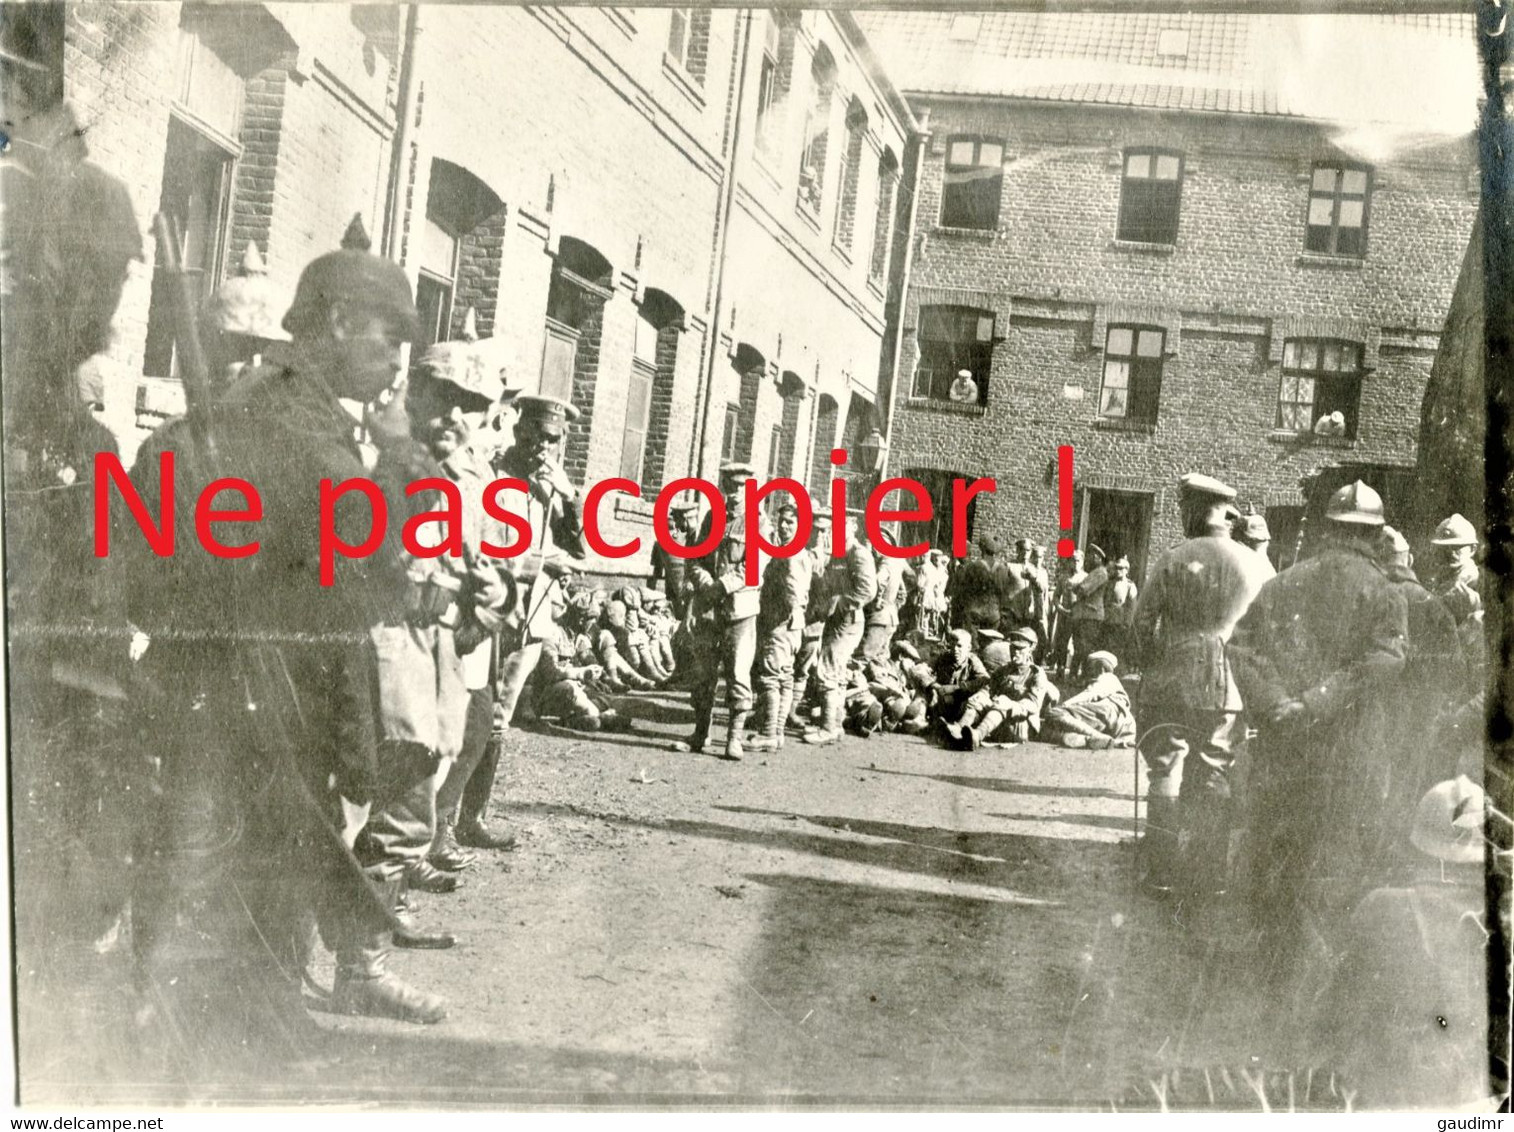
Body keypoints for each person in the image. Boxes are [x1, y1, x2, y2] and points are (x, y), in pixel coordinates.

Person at [128, 216, 446, 1025]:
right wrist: (403, 454)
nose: (398, 357)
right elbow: (376, 583)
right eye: (389, 334)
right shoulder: (301, 428)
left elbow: (138, 572)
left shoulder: (237, 410)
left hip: (216, 691)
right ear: (338, 322)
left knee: (205, 896)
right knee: (248, 899)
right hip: (268, 701)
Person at [1229, 480, 1410, 997]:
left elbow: (1241, 651)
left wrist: (1283, 703)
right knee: (1336, 876)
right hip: (1350, 761)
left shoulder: (1282, 585)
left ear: (1328, 529)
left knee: (1278, 868)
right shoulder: (1385, 592)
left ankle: (1271, 989)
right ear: (1374, 536)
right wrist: (1320, 701)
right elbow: (1385, 660)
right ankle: (1317, 1001)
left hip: (1285, 752)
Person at [1130, 474, 1272, 898]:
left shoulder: (1174, 557)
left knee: (1166, 769)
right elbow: (1271, 631)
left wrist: (1150, 663)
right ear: (1225, 512)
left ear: (1192, 509)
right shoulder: (1256, 564)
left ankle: (1160, 871)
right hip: (1230, 686)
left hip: (1172, 681)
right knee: (1215, 773)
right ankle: (1206, 876)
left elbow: (1140, 626)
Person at [467, 394, 587, 844]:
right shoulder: (493, 474)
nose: (541, 448)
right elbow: (486, 542)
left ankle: (472, 818)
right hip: (490, 609)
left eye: (551, 441)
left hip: (533, 617)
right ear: (519, 432)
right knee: (471, 712)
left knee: (500, 717)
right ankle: (442, 823)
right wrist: (539, 562)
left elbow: (579, 548)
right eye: (535, 437)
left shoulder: (551, 483)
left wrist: (568, 496)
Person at [674, 462, 763, 760]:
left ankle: (733, 739)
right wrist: (705, 583)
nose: (735, 493)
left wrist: (720, 586)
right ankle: (701, 734)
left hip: (740, 612)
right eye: (730, 486)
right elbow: (694, 558)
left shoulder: (757, 522)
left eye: (740, 487)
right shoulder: (714, 518)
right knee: (703, 674)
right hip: (710, 612)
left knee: (738, 675)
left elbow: (753, 570)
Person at [804, 510, 878, 746]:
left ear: (854, 527)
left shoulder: (859, 554)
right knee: (834, 672)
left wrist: (838, 603)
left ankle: (826, 728)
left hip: (848, 621)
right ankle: (834, 725)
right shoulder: (838, 554)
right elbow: (828, 584)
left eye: (842, 526)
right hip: (835, 621)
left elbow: (868, 591)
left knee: (826, 670)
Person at [748, 501, 813, 752]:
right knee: (784, 678)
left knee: (770, 678)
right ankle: (776, 732)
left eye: (790, 522)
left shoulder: (791, 554)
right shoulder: (796, 551)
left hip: (781, 625)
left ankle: (768, 733)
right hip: (792, 626)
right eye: (782, 521)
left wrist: (779, 615)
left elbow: (794, 593)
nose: (784, 527)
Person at [530, 588, 631, 733]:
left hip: (571, 690)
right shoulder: (552, 634)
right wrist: (581, 673)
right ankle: (598, 717)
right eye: (587, 619)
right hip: (547, 694)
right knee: (571, 688)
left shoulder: (576, 636)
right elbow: (550, 673)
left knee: (603, 699)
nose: (591, 624)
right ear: (578, 618)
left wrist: (596, 678)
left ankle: (577, 719)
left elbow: (586, 657)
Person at [944, 627, 1055, 750]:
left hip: (1021, 726)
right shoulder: (1003, 670)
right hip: (999, 724)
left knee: (1002, 702)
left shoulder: (1036, 674)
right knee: (979, 700)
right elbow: (989, 688)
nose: (1015, 652)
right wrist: (981, 695)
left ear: (1031, 648)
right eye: (1013, 648)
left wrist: (1011, 704)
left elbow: (1033, 704)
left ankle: (977, 735)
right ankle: (958, 729)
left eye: (1020, 648)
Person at [1042, 651, 1136, 750]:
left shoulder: (1108, 678)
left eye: (1090, 668)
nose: (1087, 672)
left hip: (1108, 713)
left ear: (1101, 668)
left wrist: (1065, 704)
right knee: (1048, 728)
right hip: (1108, 720)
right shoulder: (1112, 681)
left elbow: (1089, 693)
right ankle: (1085, 739)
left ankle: (1098, 737)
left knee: (1054, 713)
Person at [1427, 513, 1481, 629]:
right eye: (1445, 548)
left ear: (1472, 549)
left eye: (1457, 547)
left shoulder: (1476, 583)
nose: (1450, 553)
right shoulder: (1441, 578)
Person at [926, 628, 990, 726]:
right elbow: (920, 669)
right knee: (925, 690)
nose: (955, 649)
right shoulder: (943, 658)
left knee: (979, 697)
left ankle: (960, 727)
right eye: (952, 645)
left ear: (968, 648)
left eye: (959, 646)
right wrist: (934, 685)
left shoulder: (972, 661)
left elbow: (984, 680)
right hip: (943, 701)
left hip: (962, 702)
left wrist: (957, 688)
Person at [1068, 545, 1109, 677]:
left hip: (1092, 615)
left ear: (1098, 558)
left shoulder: (1100, 573)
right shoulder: (1095, 572)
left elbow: (1083, 590)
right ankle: (1076, 675)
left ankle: (1083, 676)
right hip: (1086, 615)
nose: (1089, 559)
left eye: (1092, 556)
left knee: (1085, 647)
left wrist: (1073, 586)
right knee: (1080, 646)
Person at [995, 538, 1046, 644]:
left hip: (1027, 615)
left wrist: (1034, 579)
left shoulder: (1034, 569)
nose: (1025, 553)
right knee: (1009, 641)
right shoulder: (1009, 566)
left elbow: (1041, 589)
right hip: (1012, 614)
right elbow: (999, 588)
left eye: (1028, 550)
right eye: (1022, 549)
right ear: (1017, 550)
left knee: (1024, 642)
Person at [949, 535, 1001, 632]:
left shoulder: (970, 568)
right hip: (993, 611)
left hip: (971, 611)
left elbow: (964, 591)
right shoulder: (1001, 568)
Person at [861, 541, 903, 660]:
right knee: (881, 657)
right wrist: (894, 606)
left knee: (865, 656)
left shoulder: (884, 564)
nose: (874, 551)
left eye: (875, 548)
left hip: (879, 619)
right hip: (891, 618)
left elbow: (879, 581)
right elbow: (902, 593)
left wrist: (877, 601)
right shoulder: (896, 565)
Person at [1048, 551, 1086, 678]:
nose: (1075, 563)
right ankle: (1060, 669)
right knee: (1062, 643)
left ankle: (1073, 672)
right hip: (1065, 614)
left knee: (1078, 644)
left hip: (1079, 616)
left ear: (1082, 562)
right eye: (1073, 560)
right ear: (1070, 562)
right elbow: (1056, 596)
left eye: (1078, 561)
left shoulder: (1086, 578)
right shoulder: (1064, 578)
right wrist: (1059, 607)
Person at [1101, 556, 1139, 670]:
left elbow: (1131, 607)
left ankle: (1117, 672)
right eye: (1116, 568)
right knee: (1105, 648)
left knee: (1117, 650)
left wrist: (1127, 623)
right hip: (1107, 621)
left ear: (1126, 570)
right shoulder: (1109, 583)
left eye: (1121, 568)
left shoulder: (1129, 586)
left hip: (1120, 623)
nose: (1118, 570)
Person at [1232, 510, 1277, 579]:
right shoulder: (1238, 560)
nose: (1262, 544)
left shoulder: (1266, 565)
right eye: (1255, 541)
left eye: (1262, 541)